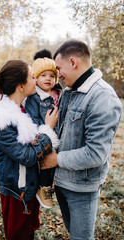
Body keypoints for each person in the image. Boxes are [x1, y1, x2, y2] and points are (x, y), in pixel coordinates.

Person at [40, 39, 122, 240]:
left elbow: (95, 154)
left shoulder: (102, 97)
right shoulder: (69, 91)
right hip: (62, 182)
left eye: (59, 68)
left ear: (74, 62)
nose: (58, 74)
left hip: (81, 189)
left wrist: (56, 160)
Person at [0, 60, 59, 240]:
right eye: (32, 77)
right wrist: (47, 130)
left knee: (28, 233)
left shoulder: (24, 108)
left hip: (29, 186)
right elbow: (27, 156)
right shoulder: (0, 120)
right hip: (17, 191)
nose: (36, 80)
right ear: (21, 86)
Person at [25, 57, 62, 209]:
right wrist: (45, 129)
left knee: (57, 162)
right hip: (44, 135)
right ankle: (44, 187)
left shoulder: (59, 93)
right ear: (35, 78)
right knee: (47, 162)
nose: (48, 78)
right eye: (43, 75)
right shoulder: (34, 98)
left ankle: (52, 185)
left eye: (52, 76)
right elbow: (32, 119)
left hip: (59, 134)